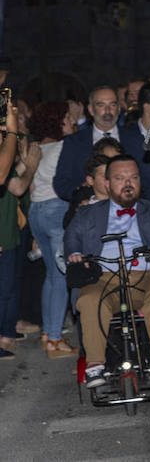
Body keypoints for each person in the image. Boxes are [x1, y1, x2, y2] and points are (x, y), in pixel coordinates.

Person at [63, 153, 150, 386]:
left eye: (133, 177)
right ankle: (95, 364)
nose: (128, 184)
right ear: (107, 184)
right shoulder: (88, 212)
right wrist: (75, 252)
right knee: (89, 299)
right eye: (120, 178)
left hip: (146, 273)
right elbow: (72, 235)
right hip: (103, 277)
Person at [25, 100, 78, 358]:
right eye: (67, 118)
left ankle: (48, 332)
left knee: (51, 274)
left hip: (36, 211)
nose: (71, 122)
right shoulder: (65, 147)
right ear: (57, 121)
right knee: (61, 277)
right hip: (57, 210)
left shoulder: (35, 147)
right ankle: (55, 341)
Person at [1, 104, 34, 360]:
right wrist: (31, 164)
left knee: (10, 286)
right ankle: (5, 334)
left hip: (8, 229)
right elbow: (14, 185)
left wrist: (24, 161)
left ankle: (7, 332)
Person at [52, 86, 123, 204]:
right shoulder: (74, 142)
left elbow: (149, 180)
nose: (107, 110)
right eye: (101, 105)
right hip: (88, 211)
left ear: (119, 108)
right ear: (90, 109)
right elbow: (61, 183)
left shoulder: (135, 138)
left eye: (112, 105)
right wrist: (84, 195)